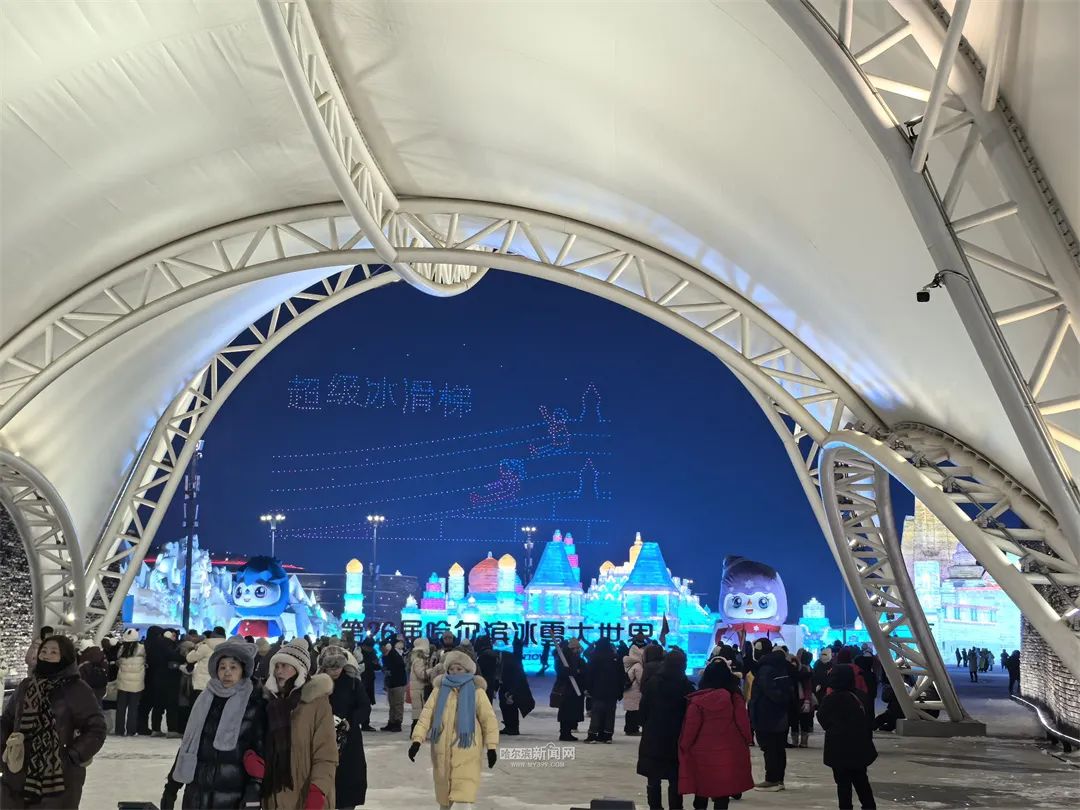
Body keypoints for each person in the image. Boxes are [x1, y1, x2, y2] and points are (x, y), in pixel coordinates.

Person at [1, 635, 107, 809]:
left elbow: (96, 728)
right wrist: (4, 752)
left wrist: (72, 756)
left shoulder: (77, 689)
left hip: (59, 779)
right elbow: (7, 720)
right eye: (43, 651)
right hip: (17, 772)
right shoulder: (26, 686)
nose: (46, 655)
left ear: (65, 657)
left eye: (53, 652)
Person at [159, 638, 265, 810]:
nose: (227, 672)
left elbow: (260, 753)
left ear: (243, 670)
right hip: (197, 795)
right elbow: (189, 744)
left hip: (231, 798)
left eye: (233, 667)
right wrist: (172, 786)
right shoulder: (205, 700)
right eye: (222, 667)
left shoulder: (253, 706)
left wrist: (254, 788)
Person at [243, 639, 337, 810]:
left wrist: (318, 790)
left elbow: (326, 753)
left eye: (285, 666)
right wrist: (252, 756)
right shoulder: (270, 703)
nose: (279, 671)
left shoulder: (317, 703)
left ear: (299, 670)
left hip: (306, 794)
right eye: (277, 666)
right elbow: (258, 739)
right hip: (274, 797)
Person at [408, 649, 500, 810]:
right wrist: (417, 740)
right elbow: (426, 715)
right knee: (445, 800)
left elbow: (488, 719)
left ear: (468, 670)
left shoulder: (476, 691)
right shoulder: (439, 690)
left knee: (463, 799)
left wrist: (491, 746)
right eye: (451, 668)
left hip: (467, 749)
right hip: (441, 749)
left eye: (459, 668)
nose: (455, 672)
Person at [678, 659, 754, 810]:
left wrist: (684, 746)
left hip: (701, 751)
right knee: (722, 789)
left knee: (702, 786)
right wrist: (747, 739)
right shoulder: (734, 697)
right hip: (729, 749)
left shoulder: (697, 701)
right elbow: (743, 722)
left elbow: (691, 728)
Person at [637, 648, 694, 810]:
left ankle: (654, 806)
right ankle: (676, 807)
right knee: (675, 777)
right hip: (677, 737)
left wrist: (647, 725)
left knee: (653, 776)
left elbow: (643, 710)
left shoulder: (653, 683)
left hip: (654, 736)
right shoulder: (686, 686)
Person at [817, 666, 877, 810]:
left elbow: (822, 719)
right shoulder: (861, 697)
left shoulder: (831, 699)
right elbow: (869, 720)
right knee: (862, 780)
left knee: (843, 784)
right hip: (859, 746)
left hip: (838, 747)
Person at [318, 645, 369, 810]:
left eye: (338, 666)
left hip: (349, 740)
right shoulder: (316, 685)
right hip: (322, 738)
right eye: (331, 667)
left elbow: (364, 707)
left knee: (349, 780)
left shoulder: (353, 683)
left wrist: (351, 721)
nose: (335, 671)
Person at [747, 638, 791, 792]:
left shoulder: (765, 668)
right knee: (778, 748)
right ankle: (779, 779)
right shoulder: (780, 664)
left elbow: (769, 691)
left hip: (766, 714)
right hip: (780, 714)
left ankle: (772, 779)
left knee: (770, 748)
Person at [585, 637, 623, 743]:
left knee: (596, 713)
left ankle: (593, 734)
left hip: (597, 690)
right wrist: (620, 691)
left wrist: (588, 688)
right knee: (610, 714)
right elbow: (621, 676)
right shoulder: (615, 658)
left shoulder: (594, 658)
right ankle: (607, 735)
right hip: (613, 691)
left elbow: (589, 675)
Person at [497, 636, 534, 736]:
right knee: (506, 706)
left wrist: (511, 692)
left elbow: (516, 678)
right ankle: (509, 726)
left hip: (511, 688)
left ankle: (512, 728)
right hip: (508, 686)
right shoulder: (511, 659)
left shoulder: (511, 661)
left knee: (510, 707)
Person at [553, 638, 586, 741]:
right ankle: (565, 733)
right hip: (567, 690)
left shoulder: (576, 659)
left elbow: (582, 671)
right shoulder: (563, 659)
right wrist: (574, 671)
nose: (578, 650)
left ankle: (567, 731)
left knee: (571, 712)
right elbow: (563, 673)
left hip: (575, 690)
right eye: (576, 648)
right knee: (566, 712)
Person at [115, 628, 146, 736]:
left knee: (121, 708)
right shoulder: (142, 649)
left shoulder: (122, 649)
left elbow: (118, 661)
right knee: (133, 708)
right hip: (137, 684)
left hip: (123, 682)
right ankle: (131, 730)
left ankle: (119, 730)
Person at [187, 626, 228, 699]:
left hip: (202, 684)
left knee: (198, 705)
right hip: (220, 684)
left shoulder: (205, 646)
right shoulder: (228, 647)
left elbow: (190, 659)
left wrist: (195, 648)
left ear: (213, 634)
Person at [409, 638, 435, 734]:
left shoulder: (420, 659)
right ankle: (415, 732)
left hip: (419, 689)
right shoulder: (419, 660)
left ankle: (417, 732)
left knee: (419, 712)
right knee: (418, 713)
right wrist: (432, 670)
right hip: (419, 690)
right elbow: (421, 674)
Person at [381, 638, 407, 732]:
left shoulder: (395, 655)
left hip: (398, 683)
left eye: (382, 648)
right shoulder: (386, 656)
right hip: (391, 683)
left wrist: (388, 670)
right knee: (392, 705)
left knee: (398, 704)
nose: (381, 650)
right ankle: (391, 722)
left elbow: (398, 667)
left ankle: (397, 723)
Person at [623, 643, 645, 736]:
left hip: (628, 691)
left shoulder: (628, 664)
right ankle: (633, 729)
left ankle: (628, 728)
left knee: (629, 712)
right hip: (635, 691)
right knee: (635, 712)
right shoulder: (638, 666)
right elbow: (641, 680)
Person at [358, 637, 380, 715]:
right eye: (369, 647)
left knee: (368, 702)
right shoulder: (358, 652)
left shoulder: (372, 652)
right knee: (361, 701)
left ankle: (366, 720)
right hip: (361, 679)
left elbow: (377, 667)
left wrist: (376, 664)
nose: (370, 649)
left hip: (370, 679)